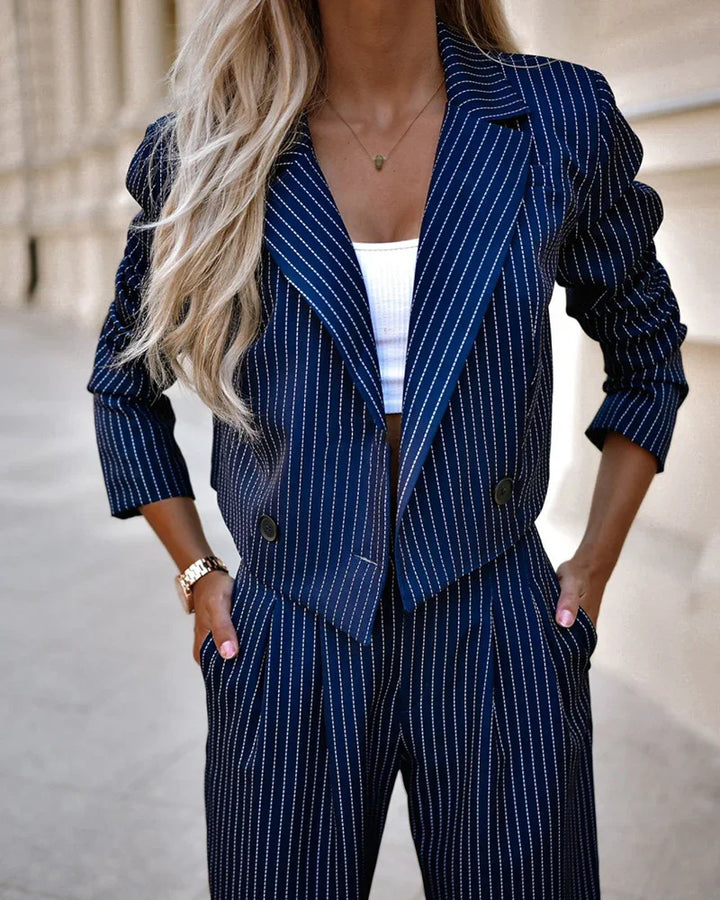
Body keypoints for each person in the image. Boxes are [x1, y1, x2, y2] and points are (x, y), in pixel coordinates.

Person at [86, 2, 690, 898]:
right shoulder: (205, 150)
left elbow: (647, 354)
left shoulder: (558, 118)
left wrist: (592, 567)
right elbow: (122, 386)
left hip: (497, 615)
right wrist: (198, 573)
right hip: (290, 628)